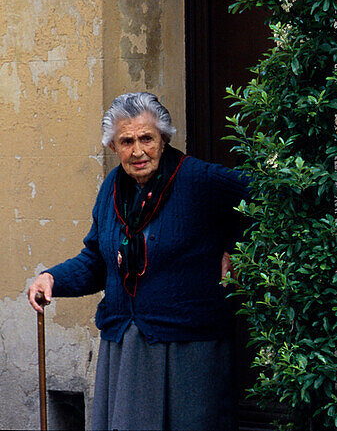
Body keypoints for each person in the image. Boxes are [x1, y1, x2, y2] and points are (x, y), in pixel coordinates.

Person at [27, 92, 250, 431]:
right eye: (126, 141)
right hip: (127, 345)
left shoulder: (198, 179)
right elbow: (96, 261)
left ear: (163, 137)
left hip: (189, 348)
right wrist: (51, 279)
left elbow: (268, 195)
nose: (138, 151)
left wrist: (235, 248)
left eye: (147, 138)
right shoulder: (111, 190)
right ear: (113, 147)